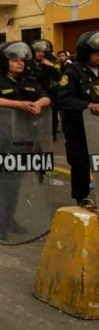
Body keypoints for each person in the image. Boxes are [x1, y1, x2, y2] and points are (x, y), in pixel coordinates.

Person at [0, 41, 50, 240]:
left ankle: (9, 219)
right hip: (1, 138)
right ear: (5, 62)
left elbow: (46, 97)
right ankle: (0, 224)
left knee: (16, 182)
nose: (20, 63)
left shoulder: (29, 80)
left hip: (25, 138)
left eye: (22, 60)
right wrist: (19, 104)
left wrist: (38, 104)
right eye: (15, 60)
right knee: (4, 181)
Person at [58, 31, 99, 204]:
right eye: (96, 53)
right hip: (79, 129)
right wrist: (87, 105)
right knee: (81, 165)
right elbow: (64, 99)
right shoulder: (72, 72)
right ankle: (81, 199)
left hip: (97, 128)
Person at [29, 39, 62, 140]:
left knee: (52, 115)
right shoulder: (28, 63)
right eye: (38, 51)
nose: (41, 54)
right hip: (32, 94)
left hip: (47, 94)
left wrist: (50, 66)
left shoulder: (48, 63)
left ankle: (52, 134)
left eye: (43, 51)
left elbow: (58, 77)